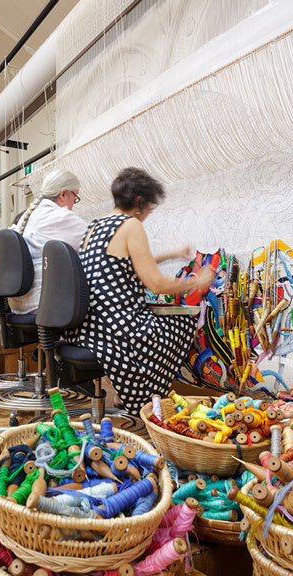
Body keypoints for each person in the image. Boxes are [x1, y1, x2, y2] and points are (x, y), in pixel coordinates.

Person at [64, 167, 215, 414]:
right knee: (183, 325)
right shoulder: (131, 225)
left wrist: (172, 254)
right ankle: (146, 400)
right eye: (150, 207)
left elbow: (125, 265)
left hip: (85, 329)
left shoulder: (95, 227)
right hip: (115, 332)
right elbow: (155, 284)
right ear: (138, 203)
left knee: (163, 324)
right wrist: (196, 282)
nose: (149, 213)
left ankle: (127, 395)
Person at [6, 170, 88, 314]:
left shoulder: (28, 217)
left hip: (18, 305)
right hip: (45, 304)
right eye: (75, 197)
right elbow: (97, 243)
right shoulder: (60, 216)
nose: (73, 204)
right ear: (63, 194)